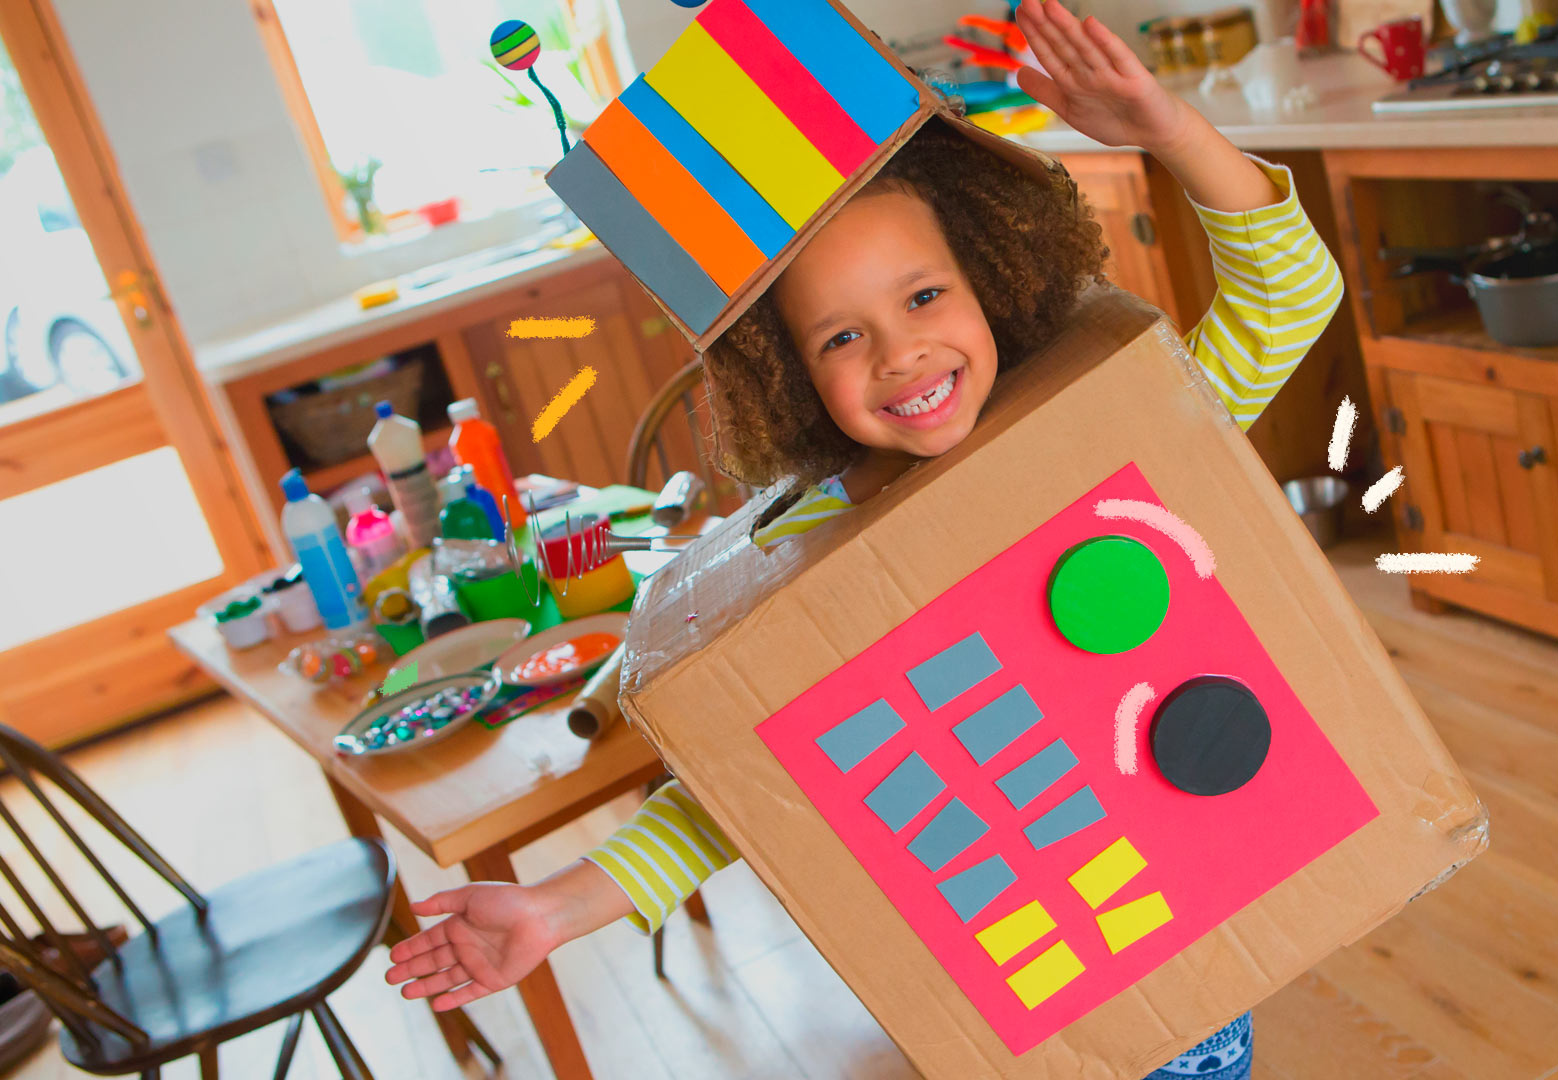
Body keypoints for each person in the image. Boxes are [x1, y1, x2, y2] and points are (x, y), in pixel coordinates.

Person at [387, 4, 1340, 1076]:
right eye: (842, 336)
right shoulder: (820, 542)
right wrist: (557, 909)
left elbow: (1290, 293)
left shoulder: (1112, 434)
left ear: (988, 280)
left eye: (926, 295)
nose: (901, 352)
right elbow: (741, 789)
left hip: (1175, 944)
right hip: (1015, 962)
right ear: (792, 372)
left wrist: (1167, 128)